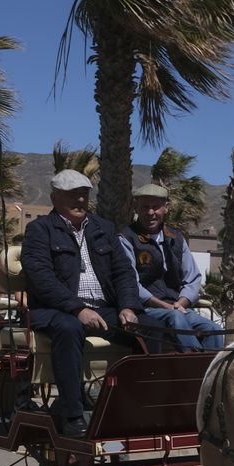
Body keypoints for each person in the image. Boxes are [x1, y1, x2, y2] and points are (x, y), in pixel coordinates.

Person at [20, 169, 141, 438]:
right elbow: (41, 279)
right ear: (54, 198)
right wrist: (77, 308)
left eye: (84, 195)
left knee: (149, 330)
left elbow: (123, 272)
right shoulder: (39, 230)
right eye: (72, 195)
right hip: (56, 311)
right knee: (69, 328)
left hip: (103, 310)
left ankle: (140, 407)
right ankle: (72, 414)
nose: (80, 201)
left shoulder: (103, 229)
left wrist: (128, 307)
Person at [118, 183, 223, 352]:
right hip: (146, 309)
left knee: (214, 329)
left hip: (177, 308)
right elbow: (131, 283)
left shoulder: (176, 238)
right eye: (145, 207)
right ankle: (194, 365)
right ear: (136, 207)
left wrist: (180, 303)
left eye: (156, 207)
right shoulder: (126, 238)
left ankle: (210, 373)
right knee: (176, 317)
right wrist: (166, 306)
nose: (150, 213)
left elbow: (193, 278)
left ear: (166, 208)